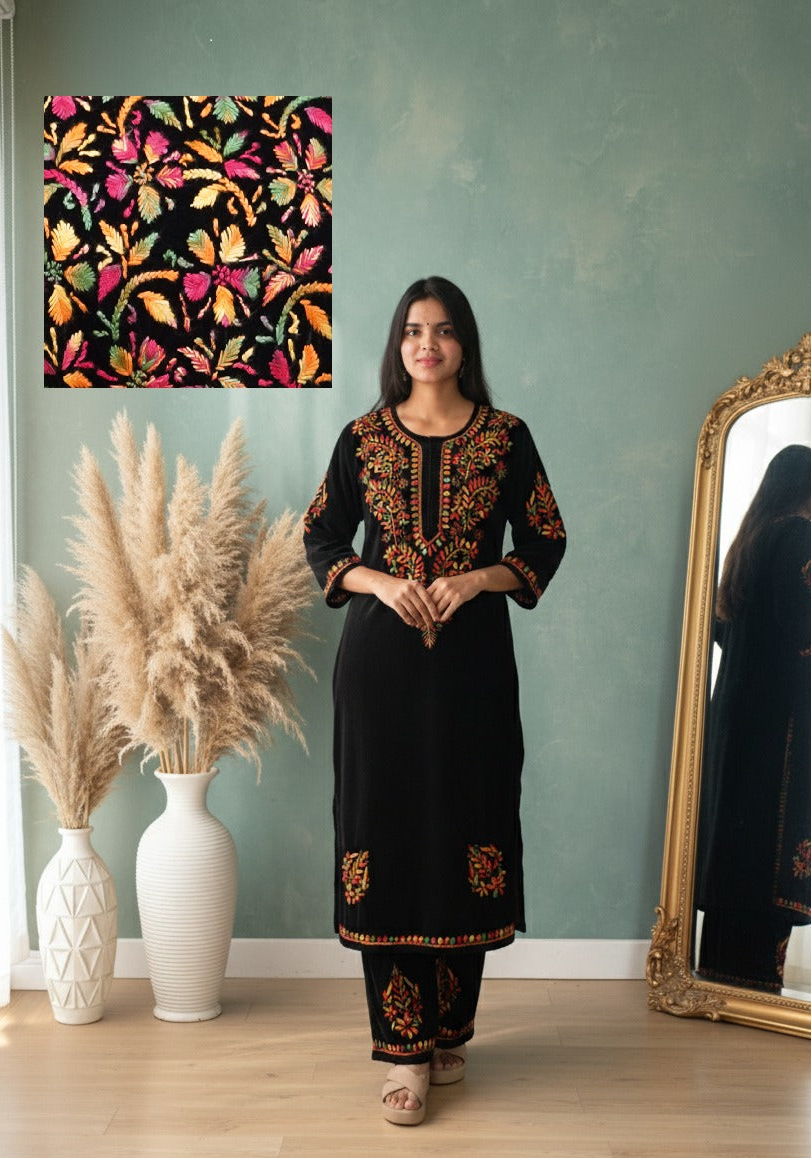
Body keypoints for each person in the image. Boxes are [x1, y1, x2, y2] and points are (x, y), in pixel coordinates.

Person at [303, 276, 566, 1125]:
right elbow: (320, 535)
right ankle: (401, 1051)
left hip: (472, 670)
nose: (428, 344)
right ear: (398, 344)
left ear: (464, 344)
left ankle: (450, 1028)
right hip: (379, 673)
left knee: (466, 824)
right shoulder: (363, 438)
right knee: (386, 832)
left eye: (444, 330)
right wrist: (380, 582)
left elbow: (546, 537)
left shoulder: (506, 437)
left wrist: (478, 579)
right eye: (414, 330)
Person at [695, 444, 811, 992]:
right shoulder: (799, 537)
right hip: (780, 727)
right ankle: (756, 986)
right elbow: (805, 630)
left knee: (739, 844)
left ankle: (723, 979)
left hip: (738, 720)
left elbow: (724, 630)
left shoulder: (748, 543)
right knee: (770, 843)